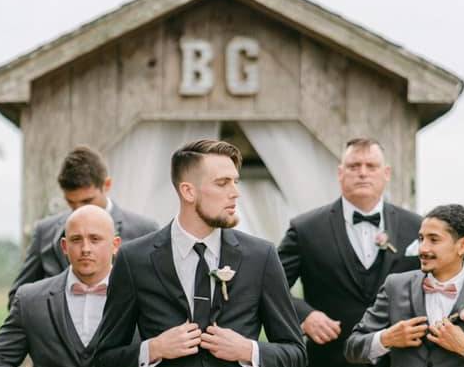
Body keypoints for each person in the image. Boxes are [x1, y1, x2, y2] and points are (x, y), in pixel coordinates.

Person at [94, 139, 307, 367]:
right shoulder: (134, 259)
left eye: (235, 182)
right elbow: (103, 359)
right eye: (222, 183)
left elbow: (296, 354)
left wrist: (248, 351)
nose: (235, 193)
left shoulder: (261, 256)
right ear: (188, 192)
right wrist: (152, 349)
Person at [278, 137, 422, 367]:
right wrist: (304, 316)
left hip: (401, 360)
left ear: (386, 173)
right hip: (328, 359)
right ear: (340, 172)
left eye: (371, 166)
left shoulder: (417, 227)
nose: (362, 173)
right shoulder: (305, 229)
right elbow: (271, 286)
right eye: (354, 166)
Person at [345, 204, 464, 367]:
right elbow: (352, 348)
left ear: (462, 245)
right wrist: (386, 339)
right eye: (421, 238)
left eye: (434, 240)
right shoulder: (395, 286)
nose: (423, 248)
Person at [8, 145, 158, 306]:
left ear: (106, 185)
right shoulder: (45, 231)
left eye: (87, 200)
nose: (80, 210)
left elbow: (158, 296)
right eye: (71, 202)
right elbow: (18, 298)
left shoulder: (145, 231)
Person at [0, 205, 121, 367]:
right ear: (64, 246)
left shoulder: (137, 296)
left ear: (115, 245)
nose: (85, 249)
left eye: (95, 239)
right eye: (76, 240)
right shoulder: (30, 300)